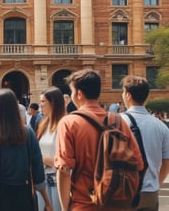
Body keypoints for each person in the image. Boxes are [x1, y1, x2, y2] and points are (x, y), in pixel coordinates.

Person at [54, 69, 144, 211]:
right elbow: (138, 164)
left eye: (71, 92)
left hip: (83, 203)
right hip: (116, 205)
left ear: (79, 94)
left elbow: (64, 170)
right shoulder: (118, 121)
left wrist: (65, 208)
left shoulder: (69, 123)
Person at [0, 88, 52, 211]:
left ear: (0, 109)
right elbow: (37, 165)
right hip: (24, 194)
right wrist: (47, 201)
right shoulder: (27, 132)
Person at [120, 75, 169, 211]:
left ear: (128, 95)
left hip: (123, 191)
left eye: (123, 92)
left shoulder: (117, 122)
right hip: (150, 192)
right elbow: (166, 162)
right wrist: (156, 183)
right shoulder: (161, 126)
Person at [37, 86, 67, 211]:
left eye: (43, 101)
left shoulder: (64, 124)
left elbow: (65, 160)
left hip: (57, 182)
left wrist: (41, 158)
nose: (40, 105)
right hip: (42, 180)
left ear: (53, 103)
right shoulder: (43, 124)